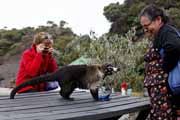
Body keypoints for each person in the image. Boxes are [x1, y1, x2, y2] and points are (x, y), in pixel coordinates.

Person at [139, 5, 180, 119]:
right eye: (143, 27)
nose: (145, 30)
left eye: (147, 26)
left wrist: (165, 69)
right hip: (160, 94)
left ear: (158, 19)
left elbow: (174, 47)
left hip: (165, 94)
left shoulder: (166, 31)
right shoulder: (161, 34)